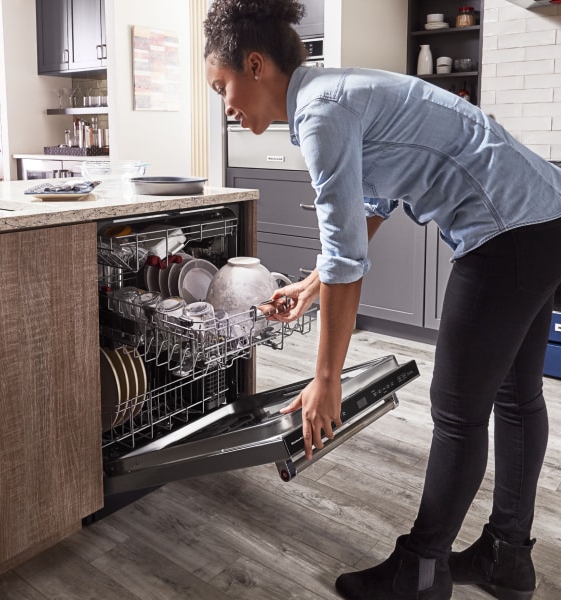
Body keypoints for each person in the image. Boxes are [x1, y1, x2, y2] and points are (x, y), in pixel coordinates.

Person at [203, 1, 561, 599]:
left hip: (505, 232)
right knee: (517, 397)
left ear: (256, 65)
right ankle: (508, 557)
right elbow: (374, 199)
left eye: (223, 87)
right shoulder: (336, 90)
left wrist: (326, 379)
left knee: (457, 411)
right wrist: (312, 286)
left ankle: (421, 572)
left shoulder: (320, 113)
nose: (226, 105)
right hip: (546, 216)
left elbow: (347, 260)